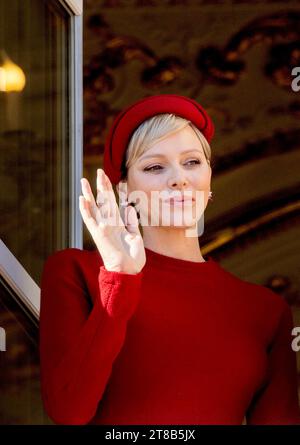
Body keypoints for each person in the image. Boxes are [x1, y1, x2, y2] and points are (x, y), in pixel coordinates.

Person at [39, 94, 300, 425]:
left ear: (208, 178)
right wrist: (120, 280)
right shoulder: (76, 271)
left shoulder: (266, 310)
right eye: (154, 167)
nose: (179, 178)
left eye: (192, 162)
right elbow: (67, 410)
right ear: (122, 187)